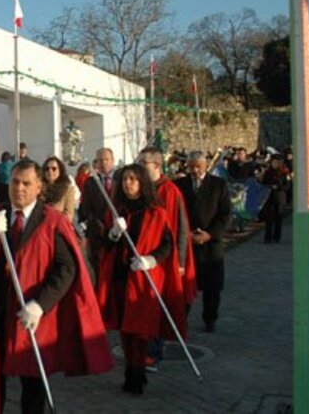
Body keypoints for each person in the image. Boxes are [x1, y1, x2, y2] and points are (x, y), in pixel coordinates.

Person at [0, 160, 112, 412]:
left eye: (26, 183)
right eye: (15, 182)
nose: (19, 188)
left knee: (33, 379)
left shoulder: (52, 221)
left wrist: (41, 305)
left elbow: (67, 268)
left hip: (31, 309)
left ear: (39, 187)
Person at [96, 164, 181, 395]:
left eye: (133, 179)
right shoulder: (116, 211)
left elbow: (167, 245)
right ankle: (130, 371)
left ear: (142, 183)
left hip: (143, 279)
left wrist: (151, 260)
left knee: (140, 328)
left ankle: (138, 370)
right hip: (121, 277)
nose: (128, 183)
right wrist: (113, 233)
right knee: (125, 328)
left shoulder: (156, 212)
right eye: (125, 179)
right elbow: (104, 246)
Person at [137, 147, 194, 369]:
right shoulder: (140, 189)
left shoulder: (170, 191)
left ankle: (154, 351)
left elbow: (181, 227)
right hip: (141, 257)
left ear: (157, 166)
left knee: (159, 305)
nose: (140, 167)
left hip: (164, 257)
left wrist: (180, 261)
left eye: (144, 163)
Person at [174, 151, 231, 332]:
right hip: (187, 242)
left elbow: (225, 214)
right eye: (191, 167)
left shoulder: (218, 185)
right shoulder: (179, 185)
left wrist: (209, 234)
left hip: (211, 244)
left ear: (205, 165)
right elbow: (174, 214)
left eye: (198, 166)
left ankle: (210, 319)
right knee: (184, 286)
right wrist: (186, 235)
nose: (195, 171)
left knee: (212, 288)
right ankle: (181, 320)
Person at [78, 148, 118, 283]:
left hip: (117, 230)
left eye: (106, 159)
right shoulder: (90, 182)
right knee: (98, 267)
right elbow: (85, 207)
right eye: (100, 160)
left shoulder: (121, 179)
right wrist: (94, 222)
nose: (103, 163)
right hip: (98, 232)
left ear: (112, 161)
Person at [259, 155, 289, 244]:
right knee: (269, 218)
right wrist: (268, 185)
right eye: (273, 162)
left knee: (278, 218)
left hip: (279, 197)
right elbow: (263, 184)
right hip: (269, 197)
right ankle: (268, 237)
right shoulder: (268, 172)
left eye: (276, 163)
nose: (274, 164)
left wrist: (278, 187)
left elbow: (287, 186)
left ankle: (277, 237)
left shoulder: (284, 173)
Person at [41, 156, 78, 222]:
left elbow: (68, 216)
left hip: (58, 226)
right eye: (47, 168)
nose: (50, 171)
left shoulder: (68, 189)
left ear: (60, 170)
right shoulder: (38, 188)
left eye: (54, 168)